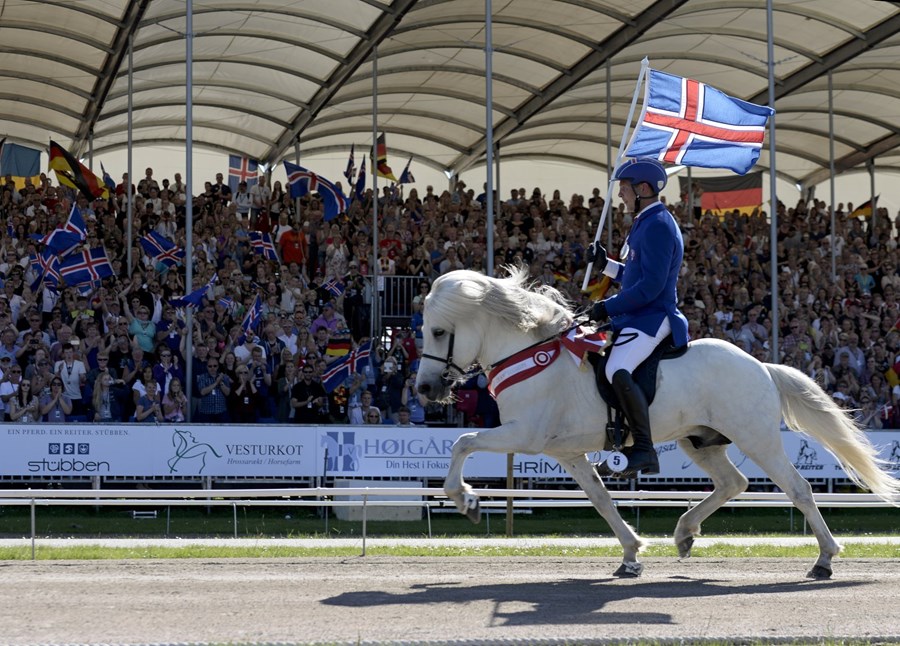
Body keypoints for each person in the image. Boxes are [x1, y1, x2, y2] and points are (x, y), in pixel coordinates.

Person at [587, 158, 688, 477]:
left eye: (625, 189)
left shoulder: (658, 224)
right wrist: (605, 265)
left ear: (643, 189)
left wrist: (608, 306)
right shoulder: (646, 221)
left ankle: (644, 448)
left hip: (653, 317)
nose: (621, 196)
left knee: (617, 367)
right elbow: (633, 274)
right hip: (637, 315)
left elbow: (651, 287)